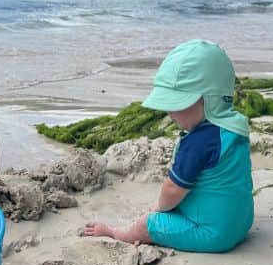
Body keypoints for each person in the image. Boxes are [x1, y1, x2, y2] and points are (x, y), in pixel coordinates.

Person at [81, 39, 254, 252]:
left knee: (149, 223)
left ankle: (115, 233)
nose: (169, 112)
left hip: (213, 235)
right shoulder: (235, 128)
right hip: (241, 223)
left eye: (176, 104)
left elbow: (173, 189)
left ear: (208, 100)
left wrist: (158, 209)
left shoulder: (198, 141)